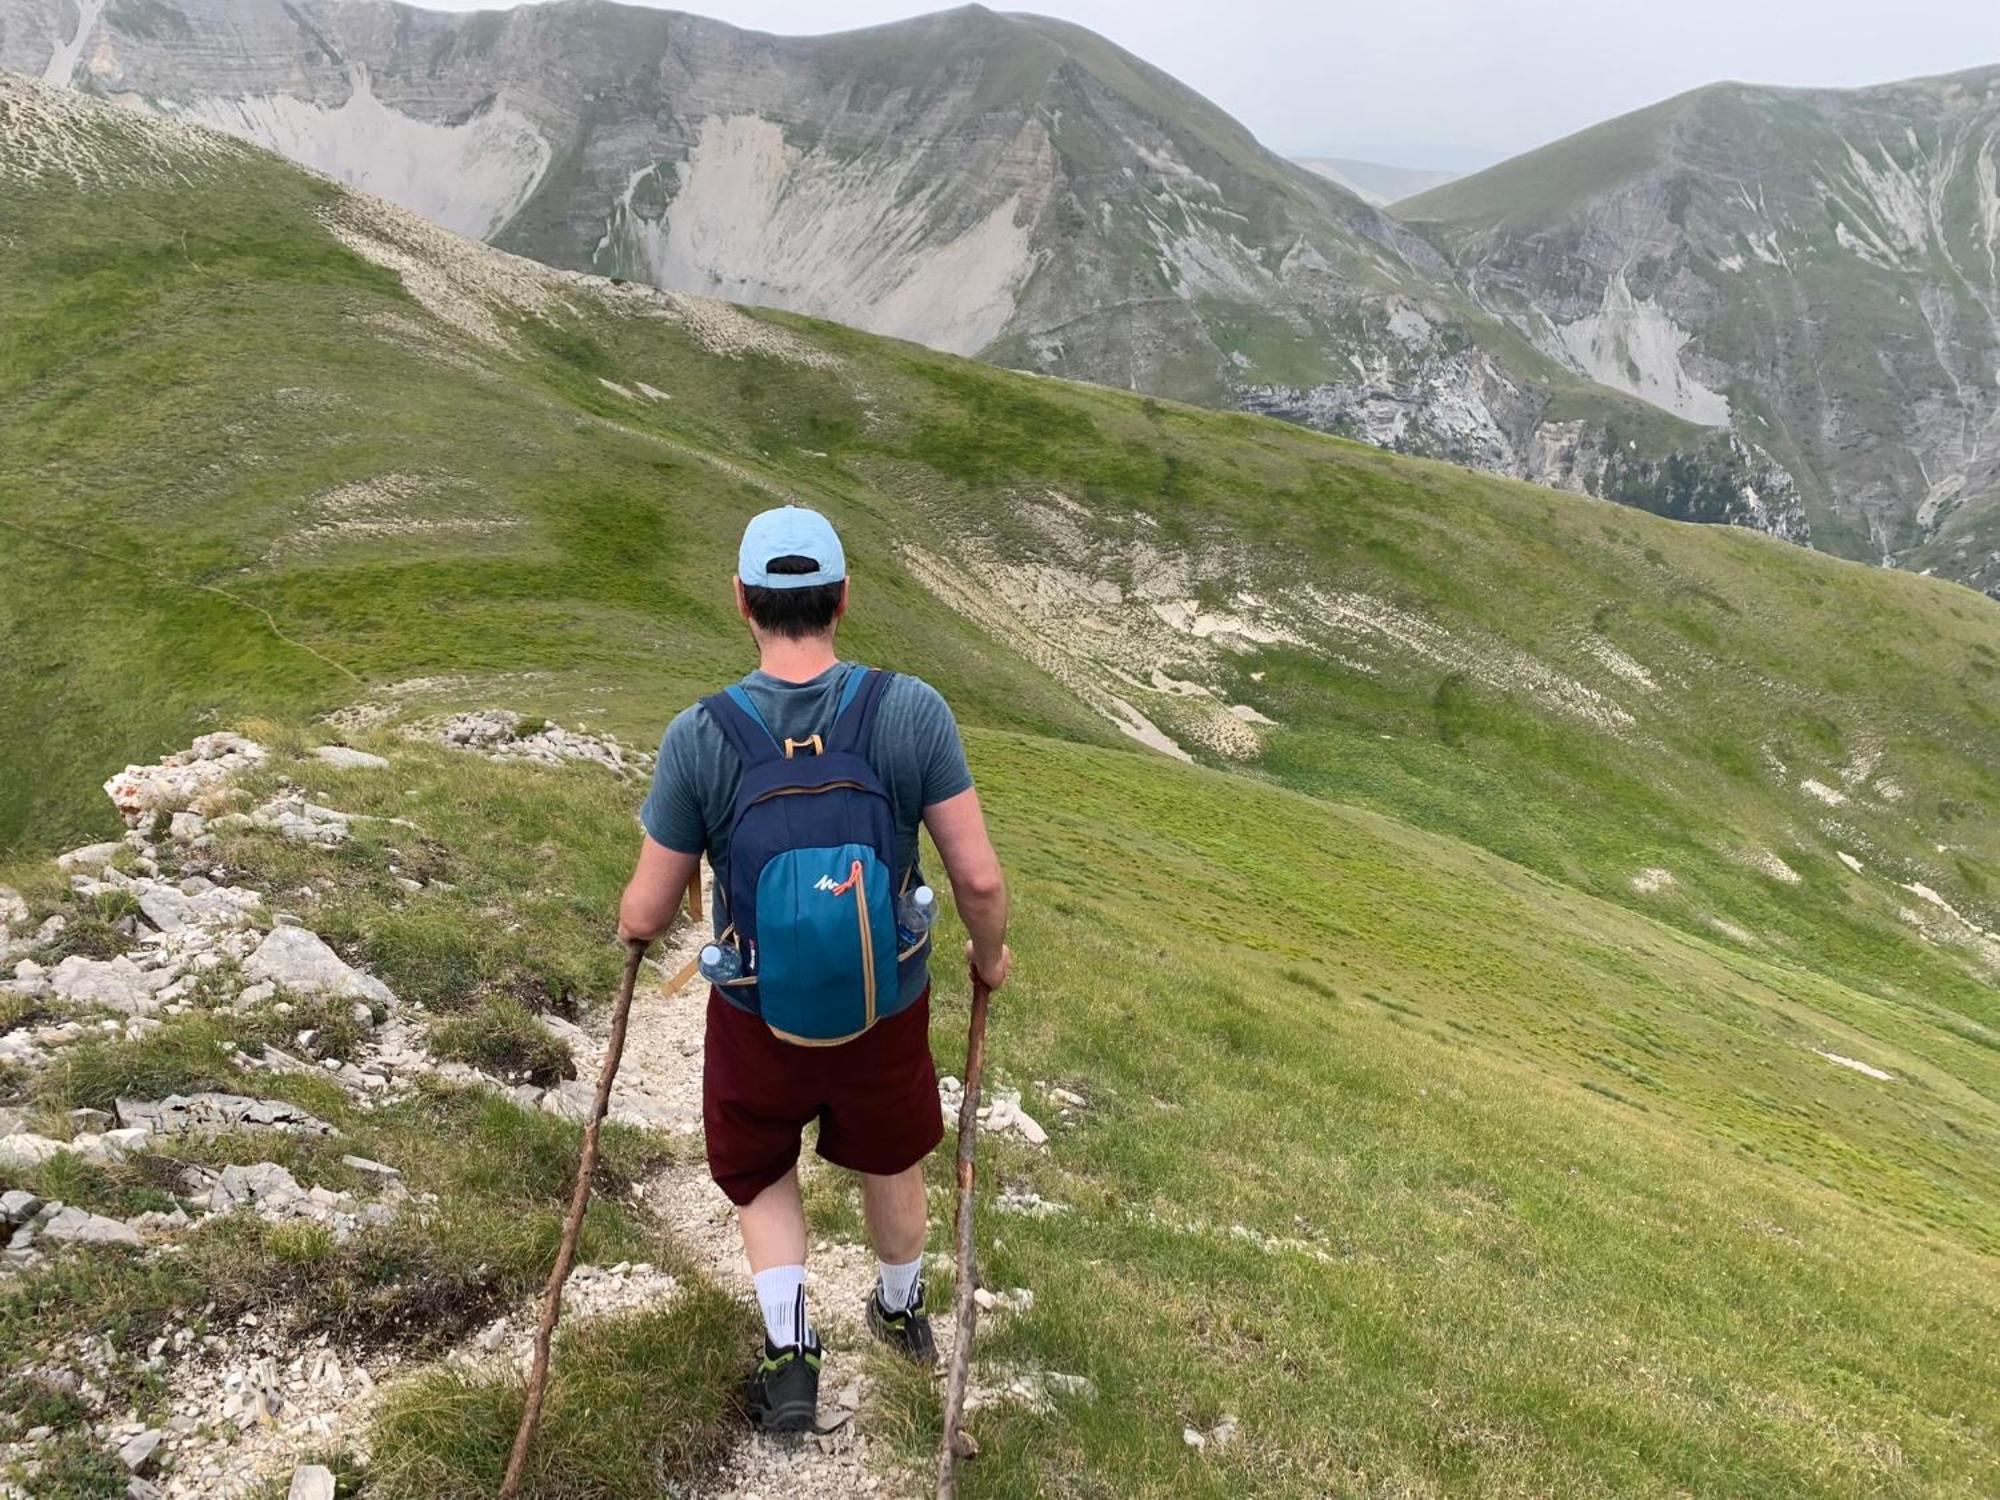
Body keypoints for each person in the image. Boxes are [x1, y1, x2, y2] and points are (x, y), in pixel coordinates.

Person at [617, 504, 1012, 1433]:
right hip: (889, 1003)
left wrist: (633, 931)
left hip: (760, 1014)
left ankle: (792, 1351)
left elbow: (645, 910)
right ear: (841, 600)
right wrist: (987, 958)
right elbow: (980, 877)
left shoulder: (701, 735)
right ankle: (902, 1310)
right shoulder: (909, 709)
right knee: (891, 1153)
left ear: (741, 604)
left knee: (760, 1169)